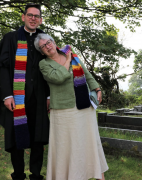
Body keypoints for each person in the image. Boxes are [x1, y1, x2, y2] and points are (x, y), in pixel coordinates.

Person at [34, 33, 109, 180]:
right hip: (63, 110)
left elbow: (86, 73)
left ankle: (98, 175)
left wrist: (97, 88)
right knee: (67, 146)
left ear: (53, 42)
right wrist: (68, 60)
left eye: (48, 42)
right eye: (43, 46)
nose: (48, 46)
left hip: (84, 105)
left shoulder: (70, 53)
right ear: (41, 51)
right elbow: (58, 77)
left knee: (89, 141)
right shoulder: (44, 64)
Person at [0, 4, 50, 180]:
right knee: (17, 137)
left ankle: (36, 174)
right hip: (17, 97)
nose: (33, 19)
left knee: (38, 138)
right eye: (30, 15)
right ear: (23, 17)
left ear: (40, 20)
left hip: (39, 97)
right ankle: (18, 174)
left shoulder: (44, 39)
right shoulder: (11, 38)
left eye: (37, 16)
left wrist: (48, 95)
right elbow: (2, 68)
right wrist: (7, 95)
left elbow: (50, 65)